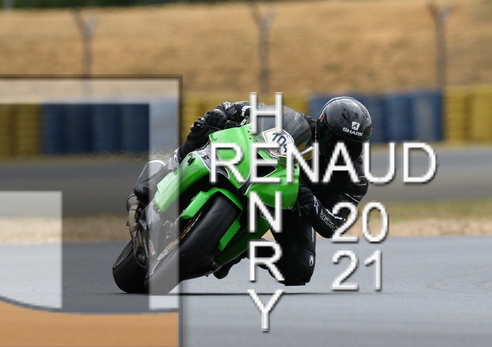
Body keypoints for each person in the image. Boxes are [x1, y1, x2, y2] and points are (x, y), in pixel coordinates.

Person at [127, 96, 372, 286]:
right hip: (252, 168)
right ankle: (156, 181)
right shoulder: (295, 123)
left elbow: (335, 224)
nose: (341, 150)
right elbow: (244, 109)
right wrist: (221, 115)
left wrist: (313, 206)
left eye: (351, 146)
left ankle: (244, 248)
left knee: (299, 269)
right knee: (204, 128)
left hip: (291, 205)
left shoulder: (356, 179)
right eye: (335, 141)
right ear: (322, 127)